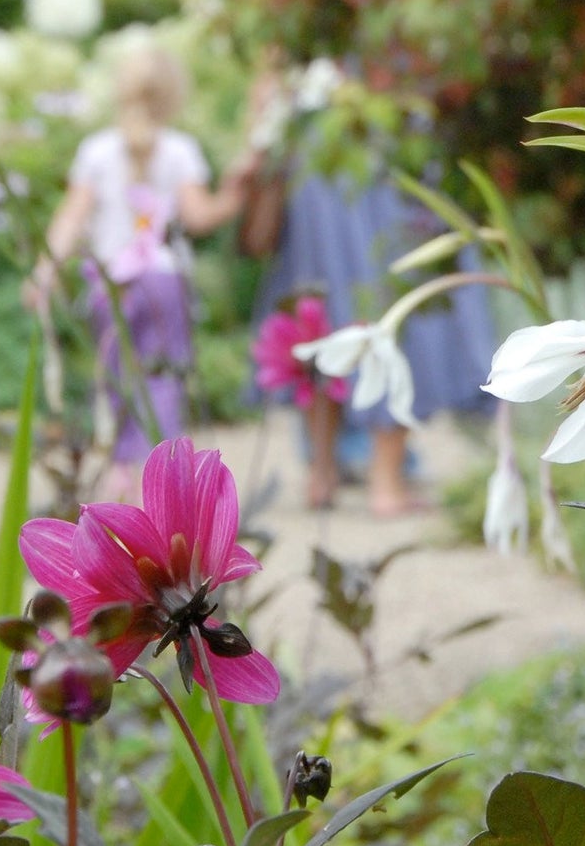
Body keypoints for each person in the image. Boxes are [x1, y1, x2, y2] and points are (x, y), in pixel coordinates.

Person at [249, 65, 495, 516]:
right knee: (392, 303)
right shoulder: (382, 32)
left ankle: (321, 474)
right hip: (376, 156)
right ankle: (386, 480)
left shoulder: (296, 40)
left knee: (318, 314)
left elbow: (265, 104)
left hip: (313, 168)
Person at [26, 43, 257, 500]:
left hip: (109, 283)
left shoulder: (96, 151)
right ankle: (164, 482)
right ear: (173, 96)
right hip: (163, 282)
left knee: (116, 375)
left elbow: (71, 219)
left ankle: (118, 474)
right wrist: (236, 192)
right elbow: (198, 217)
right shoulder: (180, 150)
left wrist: (42, 273)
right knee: (164, 378)